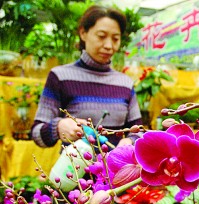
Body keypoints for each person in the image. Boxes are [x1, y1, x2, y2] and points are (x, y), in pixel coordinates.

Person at [31, 5, 142, 148]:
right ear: (83, 33)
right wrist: (58, 127)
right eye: (101, 36)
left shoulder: (124, 83)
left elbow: (138, 131)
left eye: (115, 39)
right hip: (74, 169)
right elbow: (36, 133)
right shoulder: (60, 77)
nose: (109, 45)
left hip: (113, 170)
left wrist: (130, 141)